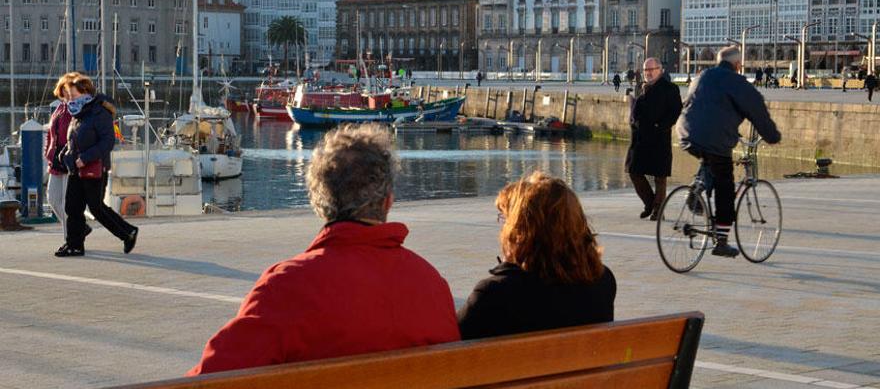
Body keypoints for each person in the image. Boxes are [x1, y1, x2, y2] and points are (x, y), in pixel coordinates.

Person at [188, 124, 459, 374]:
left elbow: (211, 378)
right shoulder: (432, 286)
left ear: (319, 201)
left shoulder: (288, 287)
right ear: (388, 202)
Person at [457, 171, 615, 340]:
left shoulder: (495, 294)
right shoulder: (602, 280)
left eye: (505, 220)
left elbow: (451, 346)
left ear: (519, 230)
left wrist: (507, 269)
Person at [676, 46, 781, 258]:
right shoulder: (736, 82)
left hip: (685, 133)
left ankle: (697, 189)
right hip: (715, 138)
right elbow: (756, 109)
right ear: (737, 65)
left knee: (708, 161)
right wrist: (772, 136)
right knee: (725, 185)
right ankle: (721, 241)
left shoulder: (703, 76)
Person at [56, 75, 138, 257]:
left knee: (96, 207)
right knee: (72, 207)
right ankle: (74, 244)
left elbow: (108, 142)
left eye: (72, 95)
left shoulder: (99, 113)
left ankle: (128, 232)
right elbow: (74, 139)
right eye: (68, 96)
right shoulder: (78, 112)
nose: (69, 99)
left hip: (95, 168)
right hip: (76, 169)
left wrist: (85, 158)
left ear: (85, 93)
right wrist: (64, 155)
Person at [626, 58, 682, 220]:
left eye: (652, 69)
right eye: (646, 70)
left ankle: (658, 210)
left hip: (659, 137)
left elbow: (676, 111)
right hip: (640, 137)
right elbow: (636, 108)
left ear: (660, 70)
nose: (648, 73)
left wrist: (661, 126)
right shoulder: (641, 87)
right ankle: (650, 203)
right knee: (633, 170)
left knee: (660, 175)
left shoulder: (670, 88)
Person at [45, 73, 86, 242]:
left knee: (66, 204)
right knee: (53, 199)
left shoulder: (78, 107)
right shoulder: (59, 108)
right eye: (64, 89)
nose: (67, 93)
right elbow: (50, 131)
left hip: (70, 157)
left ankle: (70, 239)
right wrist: (47, 150)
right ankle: (80, 228)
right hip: (56, 159)